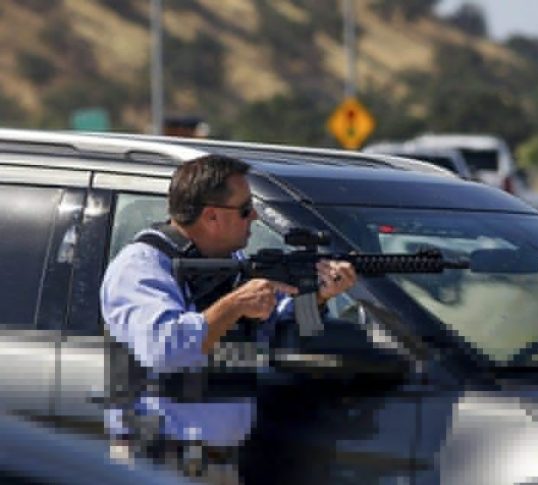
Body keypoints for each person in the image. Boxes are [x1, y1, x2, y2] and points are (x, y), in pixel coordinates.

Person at [100, 154, 357, 483]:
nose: (255, 219)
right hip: (158, 459)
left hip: (220, 462)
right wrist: (234, 304)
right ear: (211, 216)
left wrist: (318, 296)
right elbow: (165, 348)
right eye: (246, 209)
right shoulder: (141, 267)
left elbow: (278, 335)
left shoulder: (232, 264)